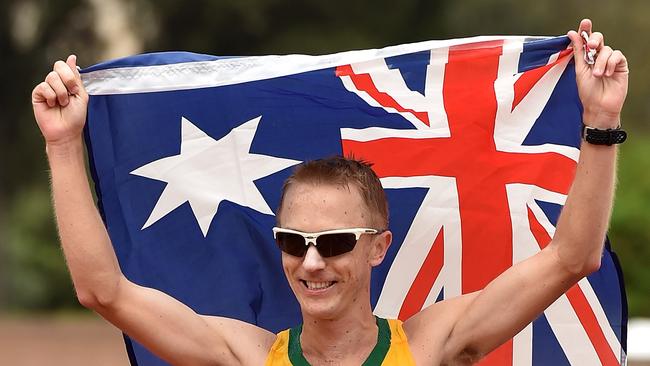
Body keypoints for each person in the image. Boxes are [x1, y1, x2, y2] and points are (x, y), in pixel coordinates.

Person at [31, 19, 628, 365]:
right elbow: (103, 290)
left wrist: (600, 123)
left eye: (336, 241)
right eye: (294, 241)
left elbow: (571, 258)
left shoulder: (427, 346)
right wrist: (63, 145)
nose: (311, 261)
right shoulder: (248, 355)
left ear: (377, 246)